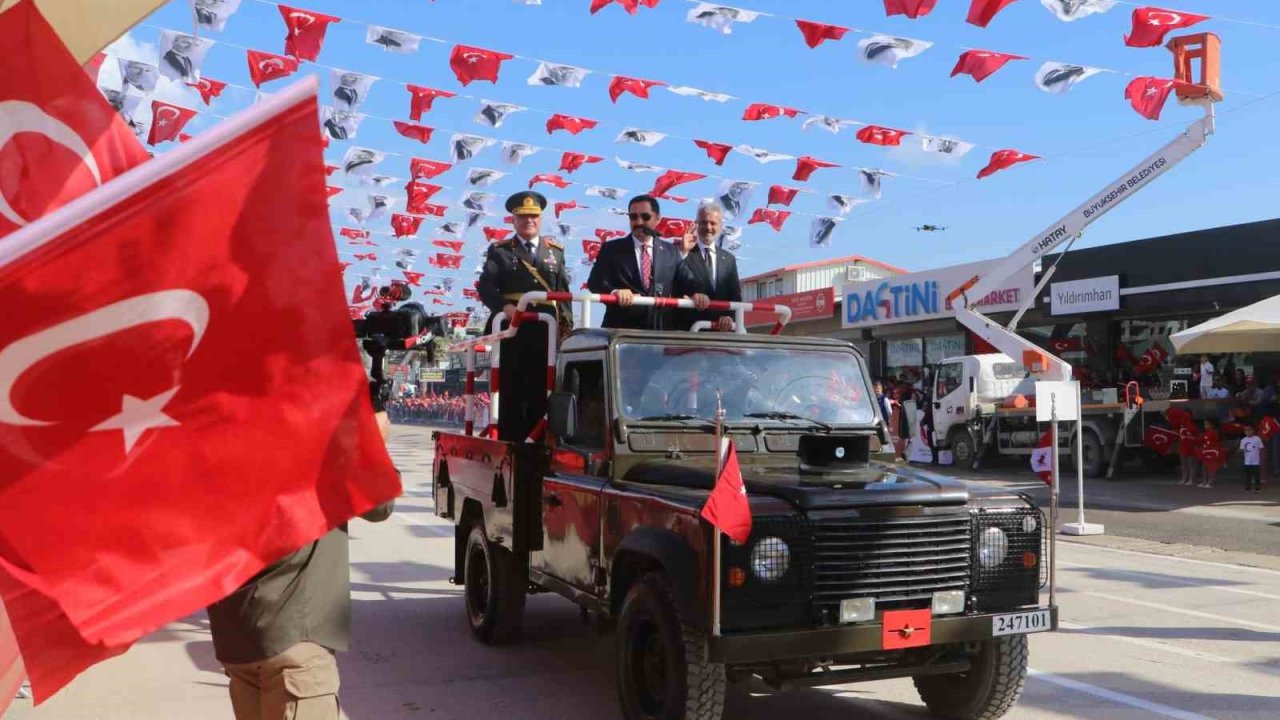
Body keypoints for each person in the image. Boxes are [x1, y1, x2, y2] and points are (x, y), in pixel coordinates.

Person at [207, 414, 396, 720]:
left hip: (236, 633)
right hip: (292, 634)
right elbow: (380, 502)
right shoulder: (314, 440)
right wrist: (373, 442)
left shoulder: (221, 435)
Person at [476, 190, 571, 440]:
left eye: (534, 216)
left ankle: (540, 440)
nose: (529, 221)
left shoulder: (555, 252)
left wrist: (567, 327)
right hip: (513, 327)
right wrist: (502, 307)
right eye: (523, 216)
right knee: (513, 386)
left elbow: (562, 291)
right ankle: (512, 440)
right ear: (513, 220)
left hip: (546, 330)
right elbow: (485, 286)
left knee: (544, 386)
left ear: (540, 219)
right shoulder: (501, 251)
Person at [586, 194, 679, 329]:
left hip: (658, 334)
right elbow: (595, 282)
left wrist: (698, 294)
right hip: (621, 334)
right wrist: (615, 292)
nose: (639, 222)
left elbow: (687, 281)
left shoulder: (671, 252)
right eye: (633, 217)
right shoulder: (611, 249)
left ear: (658, 219)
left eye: (645, 217)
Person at [673, 203, 742, 331]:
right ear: (697, 224)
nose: (708, 227)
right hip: (688, 332)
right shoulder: (681, 252)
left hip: (720, 334)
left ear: (721, 226)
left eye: (713, 223)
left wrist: (729, 317)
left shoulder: (729, 259)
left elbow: (735, 296)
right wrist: (683, 253)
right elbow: (673, 284)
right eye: (704, 223)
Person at [1240, 424, 1264, 493]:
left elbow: (1261, 449)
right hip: (1247, 461)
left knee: (1256, 475)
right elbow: (1242, 450)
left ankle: (1257, 487)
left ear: (1253, 431)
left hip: (1256, 461)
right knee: (1247, 475)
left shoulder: (1257, 439)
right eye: (1246, 430)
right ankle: (1248, 487)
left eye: (1249, 430)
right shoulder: (1243, 440)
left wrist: (1261, 459)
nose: (1247, 432)